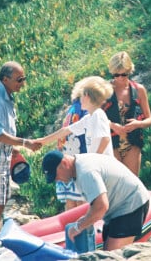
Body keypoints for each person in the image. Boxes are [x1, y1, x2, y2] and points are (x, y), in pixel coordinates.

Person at [42, 150, 150, 251]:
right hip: (118, 208)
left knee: (112, 256)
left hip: (130, 204)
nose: (57, 180)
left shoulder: (85, 172)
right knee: (106, 252)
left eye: (55, 176)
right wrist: (85, 219)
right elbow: (96, 202)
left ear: (64, 163)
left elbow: (101, 206)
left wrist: (78, 227)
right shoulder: (80, 165)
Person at [0, 61, 41, 233]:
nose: (22, 83)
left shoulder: (5, 93)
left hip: (1, 149)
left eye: (24, 78)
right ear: (5, 79)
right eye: (19, 79)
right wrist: (24, 143)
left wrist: (13, 148)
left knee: (1, 198)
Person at [103, 51, 151, 176]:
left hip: (133, 142)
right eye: (116, 74)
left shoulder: (139, 89)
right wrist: (113, 125)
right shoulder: (104, 90)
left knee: (133, 183)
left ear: (130, 70)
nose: (120, 78)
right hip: (111, 142)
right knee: (116, 184)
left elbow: (149, 119)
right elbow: (95, 117)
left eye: (124, 74)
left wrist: (138, 124)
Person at [38, 76, 114, 156]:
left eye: (81, 96)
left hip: (104, 164)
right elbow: (66, 130)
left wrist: (95, 159)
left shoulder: (98, 114)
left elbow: (105, 139)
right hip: (98, 164)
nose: (79, 99)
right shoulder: (88, 118)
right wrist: (42, 141)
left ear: (86, 96)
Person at [56, 81, 88, 210]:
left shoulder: (71, 110)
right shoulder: (84, 110)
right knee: (82, 199)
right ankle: (85, 228)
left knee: (70, 199)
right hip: (78, 160)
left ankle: (68, 228)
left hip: (65, 160)